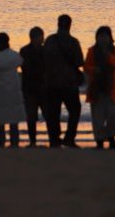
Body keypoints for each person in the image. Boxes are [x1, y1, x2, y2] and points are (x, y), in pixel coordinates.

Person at [42, 14, 84, 148]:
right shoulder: (73, 42)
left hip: (52, 83)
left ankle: (54, 140)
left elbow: (44, 60)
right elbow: (79, 62)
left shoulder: (50, 40)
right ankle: (69, 138)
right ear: (70, 25)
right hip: (69, 83)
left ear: (58, 24)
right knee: (75, 110)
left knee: (53, 113)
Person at [84, 25, 115, 149]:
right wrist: (94, 69)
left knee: (112, 116)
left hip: (112, 88)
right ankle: (99, 140)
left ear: (110, 37)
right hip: (96, 88)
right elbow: (86, 66)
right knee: (97, 117)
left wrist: (108, 55)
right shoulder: (91, 50)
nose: (102, 38)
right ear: (96, 37)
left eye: (105, 36)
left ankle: (111, 136)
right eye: (100, 36)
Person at [0, 32, 25, 148]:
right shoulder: (14, 56)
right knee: (13, 120)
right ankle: (14, 143)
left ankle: (1, 143)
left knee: (0, 120)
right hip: (13, 91)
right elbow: (21, 62)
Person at [18, 26, 46, 147]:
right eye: (40, 37)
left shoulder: (44, 50)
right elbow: (25, 68)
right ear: (33, 38)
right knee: (31, 116)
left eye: (41, 36)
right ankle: (32, 141)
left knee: (48, 115)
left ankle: (53, 140)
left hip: (42, 87)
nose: (42, 39)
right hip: (31, 88)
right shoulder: (24, 51)